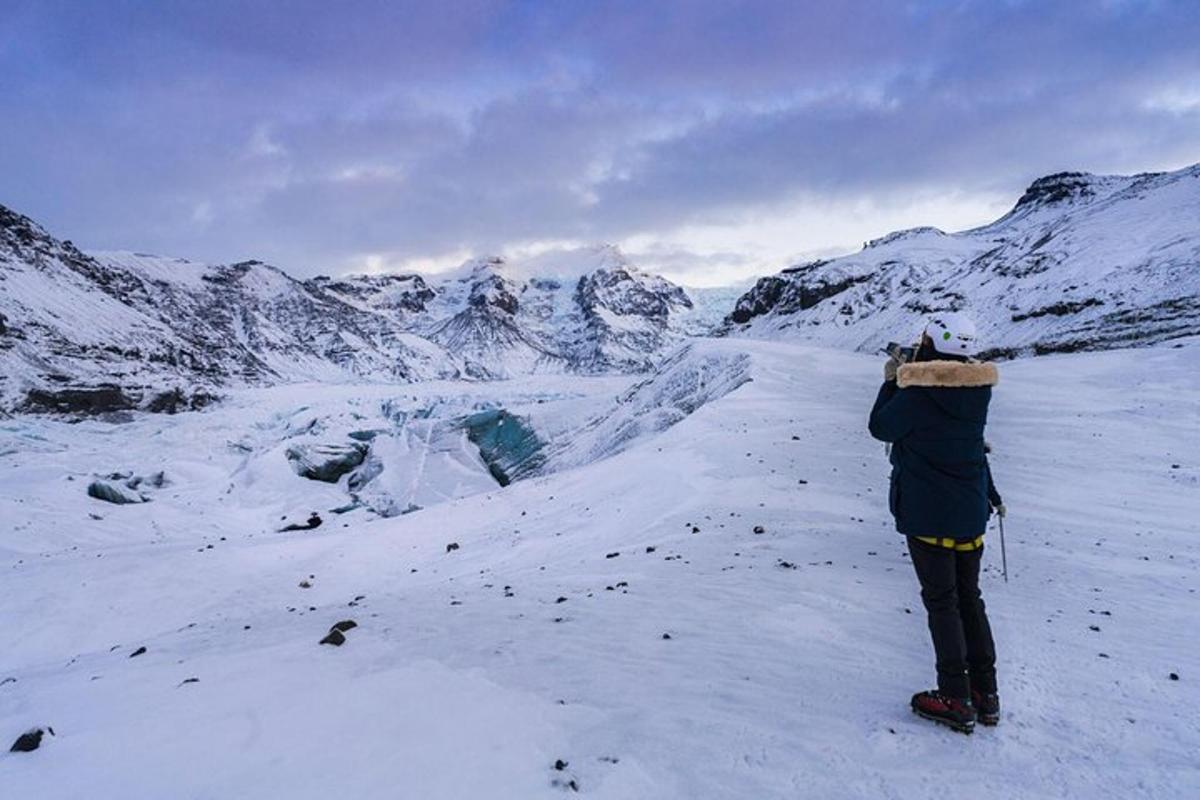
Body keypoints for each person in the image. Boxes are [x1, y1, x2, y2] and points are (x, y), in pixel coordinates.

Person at [868, 312, 1005, 734]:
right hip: (969, 513)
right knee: (970, 599)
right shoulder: (977, 390)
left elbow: (880, 427)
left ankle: (955, 697)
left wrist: (894, 379)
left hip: (929, 514)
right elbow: (972, 448)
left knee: (942, 603)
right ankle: (986, 694)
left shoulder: (919, 392)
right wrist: (991, 493)